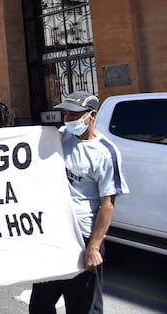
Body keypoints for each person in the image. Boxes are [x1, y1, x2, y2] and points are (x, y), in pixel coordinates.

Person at [29, 91, 129, 314]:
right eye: (66, 114)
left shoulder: (105, 152)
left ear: (91, 115)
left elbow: (107, 205)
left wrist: (93, 247)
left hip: (82, 237)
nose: (68, 120)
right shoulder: (58, 138)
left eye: (74, 115)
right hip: (54, 234)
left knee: (83, 308)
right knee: (40, 305)